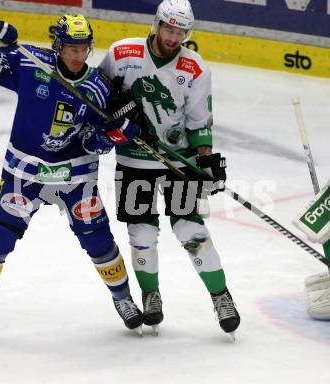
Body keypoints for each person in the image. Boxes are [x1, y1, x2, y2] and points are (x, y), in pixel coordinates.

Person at [0, 14, 143, 340]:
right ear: (59, 46)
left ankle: (124, 300)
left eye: (84, 49)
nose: (78, 56)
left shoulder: (97, 88)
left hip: (75, 176)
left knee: (99, 241)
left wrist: (114, 134)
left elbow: (94, 141)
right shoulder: (30, 63)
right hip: (25, 173)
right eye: (71, 49)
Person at [99, 0, 240, 336]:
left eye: (181, 32)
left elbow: (198, 121)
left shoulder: (195, 68)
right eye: (169, 29)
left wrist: (204, 159)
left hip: (178, 158)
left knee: (192, 231)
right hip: (133, 160)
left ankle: (221, 297)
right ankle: (151, 295)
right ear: (157, 24)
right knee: (141, 233)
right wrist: (113, 113)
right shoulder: (121, 54)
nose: (174, 37)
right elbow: (98, 96)